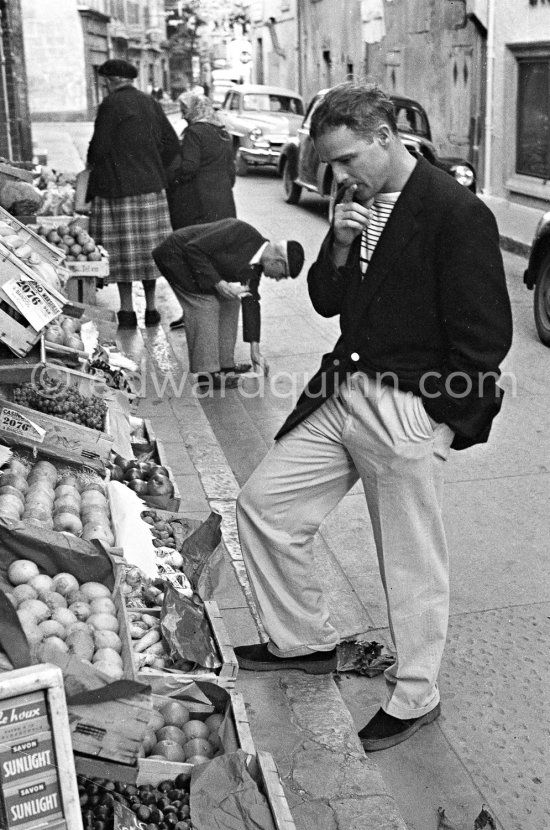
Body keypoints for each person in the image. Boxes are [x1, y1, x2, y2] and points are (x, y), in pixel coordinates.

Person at [233, 82, 513, 751]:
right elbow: (329, 304)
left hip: (405, 404)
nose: (339, 175)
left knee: (411, 561)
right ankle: (304, 641)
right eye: (331, 163)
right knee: (263, 505)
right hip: (343, 392)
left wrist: (432, 419)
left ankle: (417, 696)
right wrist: (335, 244)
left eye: (350, 158)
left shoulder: (455, 213)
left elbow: (486, 339)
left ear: (387, 137)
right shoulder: (352, 199)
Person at [152, 218, 305, 388]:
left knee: (231, 302)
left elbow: (251, 301)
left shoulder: (256, 267)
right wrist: (218, 282)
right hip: (175, 256)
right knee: (206, 305)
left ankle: (225, 366)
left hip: (194, 265)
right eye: (282, 275)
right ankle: (207, 374)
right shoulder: (240, 231)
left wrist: (255, 351)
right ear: (277, 262)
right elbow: (192, 248)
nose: (277, 279)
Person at [86, 59, 180, 328]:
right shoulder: (150, 102)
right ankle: (151, 310)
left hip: (117, 190)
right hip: (151, 190)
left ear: (111, 81)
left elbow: (99, 148)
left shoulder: (111, 104)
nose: (104, 85)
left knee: (122, 254)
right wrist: (153, 167)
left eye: (105, 81)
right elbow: (171, 144)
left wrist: (93, 161)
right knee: (150, 254)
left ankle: (127, 311)